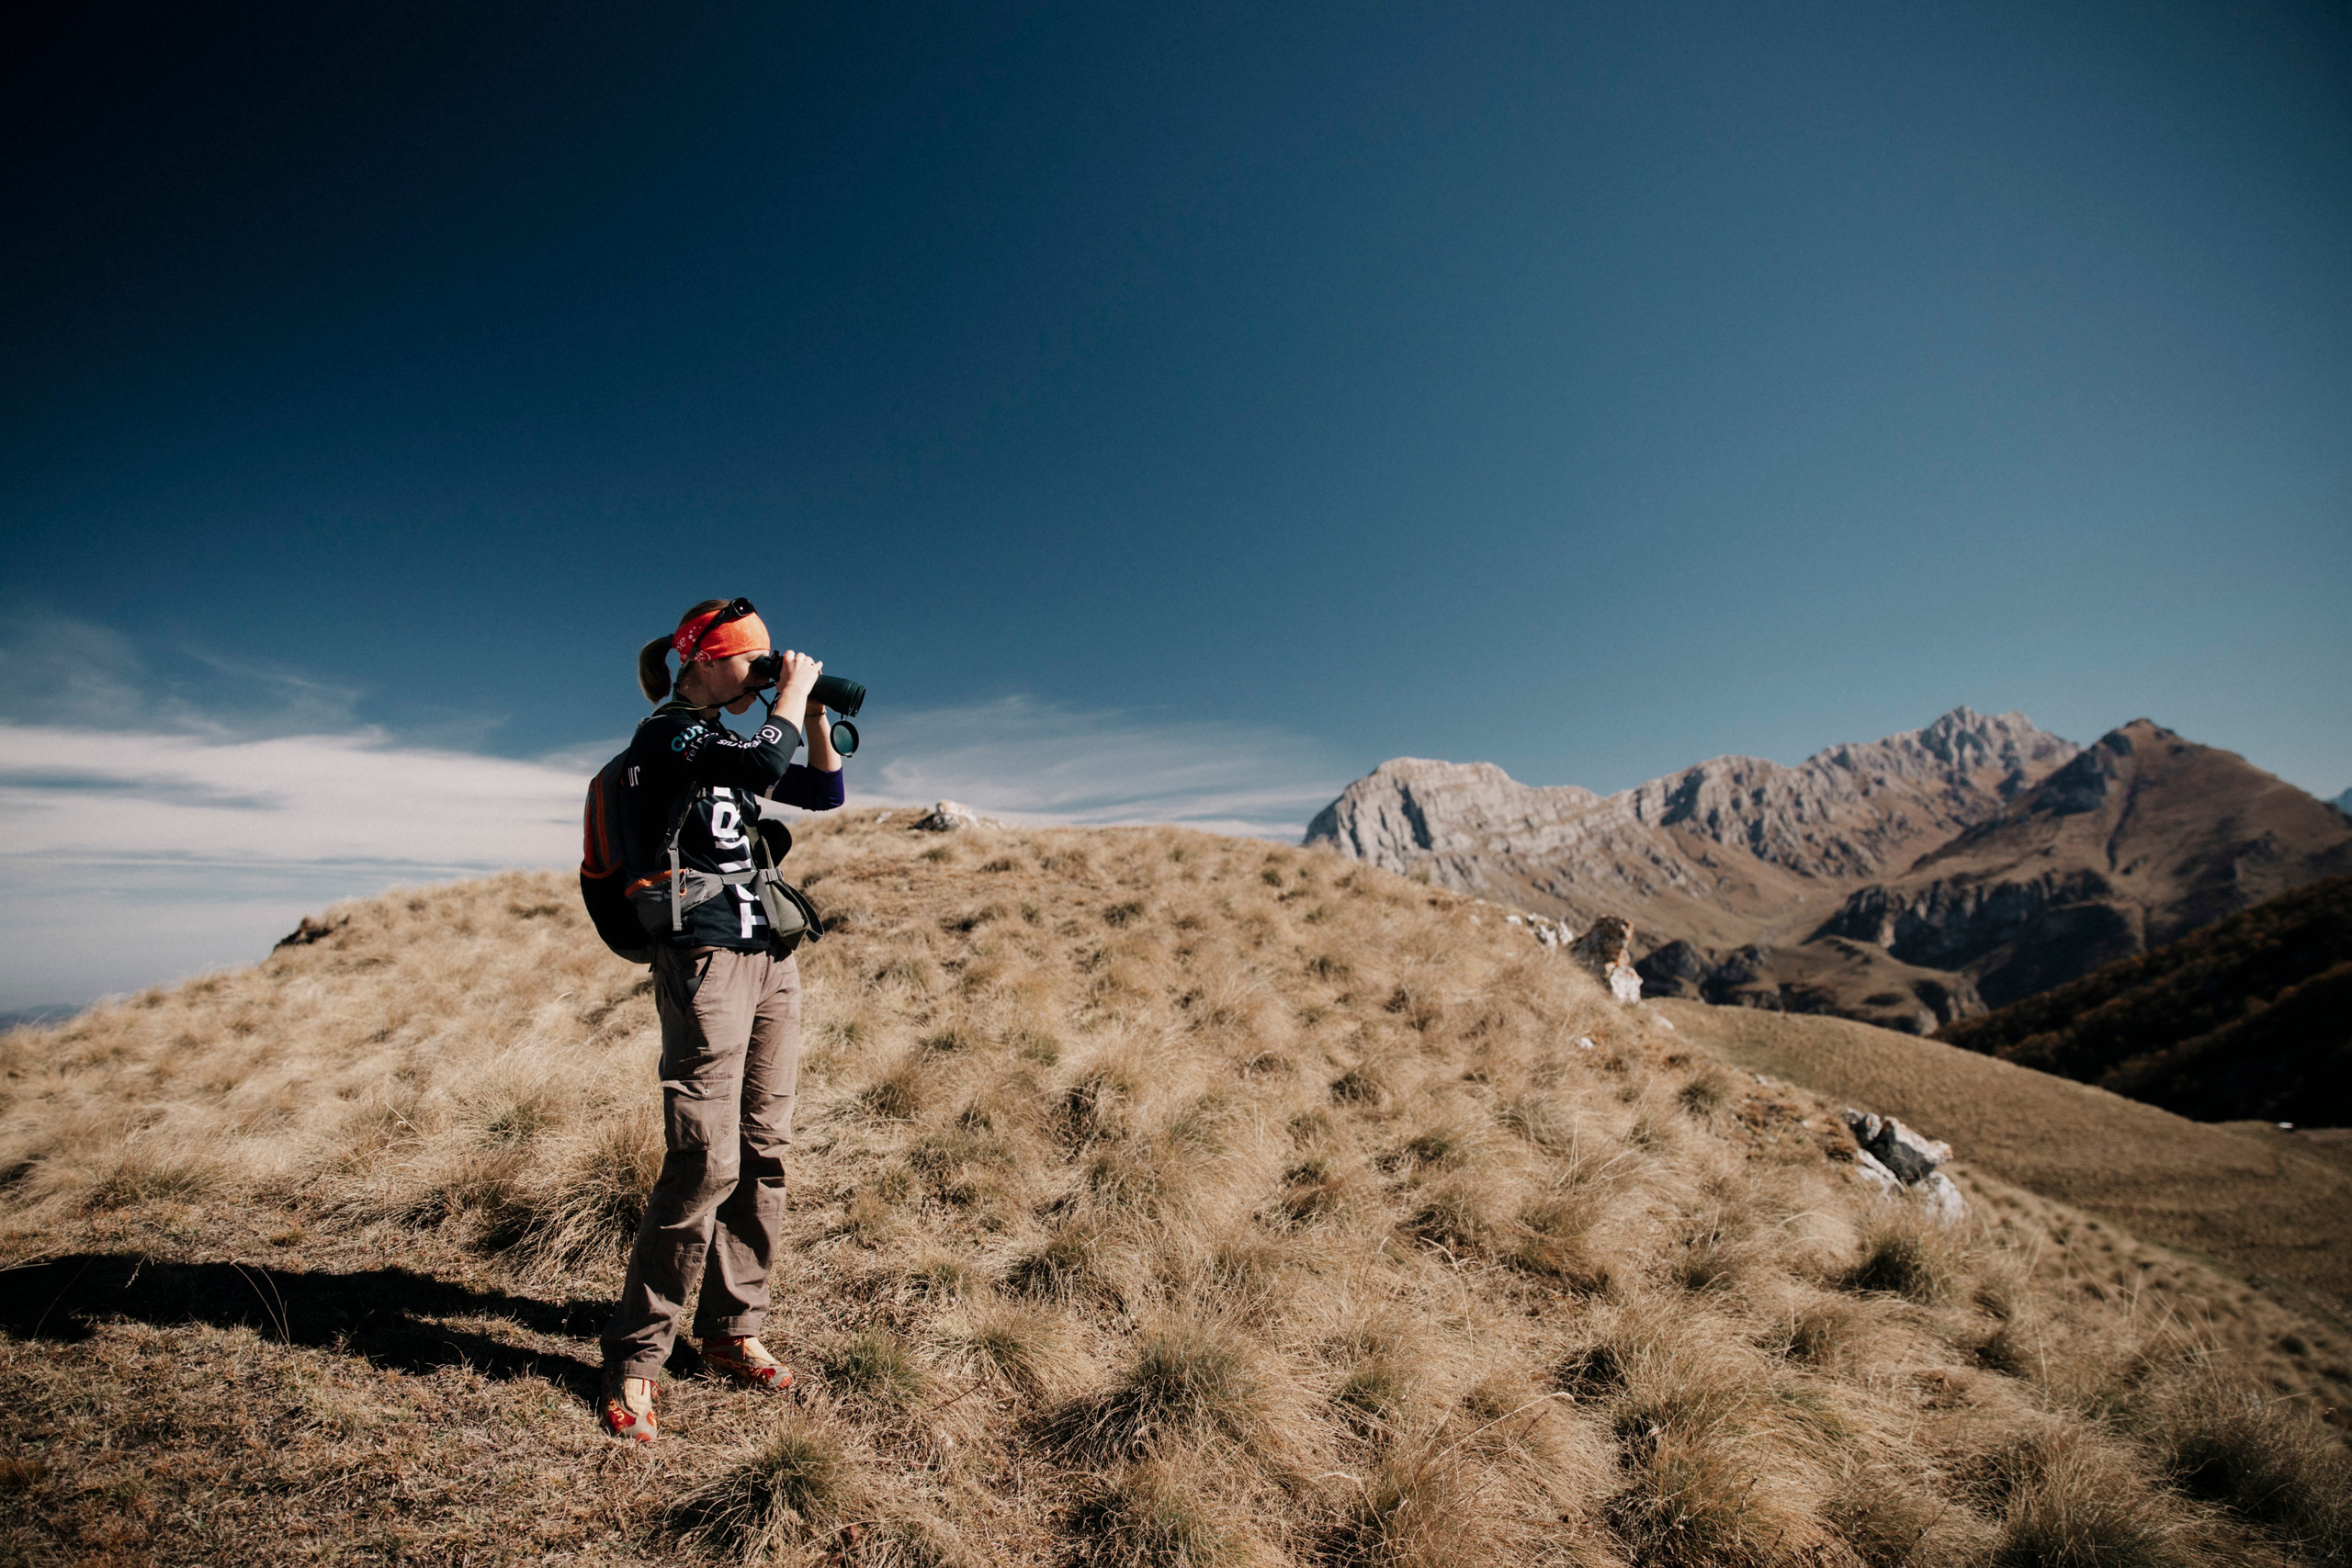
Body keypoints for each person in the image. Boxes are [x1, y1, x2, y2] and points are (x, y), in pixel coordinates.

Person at [599, 597, 844, 1443]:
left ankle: (733, 1326)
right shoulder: (666, 735)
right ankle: (636, 1358)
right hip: (704, 957)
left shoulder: (738, 742)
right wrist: (784, 705)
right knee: (705, 1156)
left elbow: (820, 786)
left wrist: (808, 714)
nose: (763, 671)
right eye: (752, 659)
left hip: (773, 958)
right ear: (702, 661)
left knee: (765, 1145)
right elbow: (757, 757)